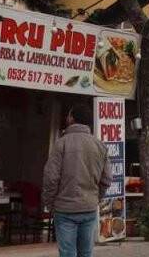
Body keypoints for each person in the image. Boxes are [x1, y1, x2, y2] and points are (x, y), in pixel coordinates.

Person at [43, 104, 110, 257]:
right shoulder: (100, 145)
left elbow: (51, 178)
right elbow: (106, 179)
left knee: (67, 253)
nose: (67, 117)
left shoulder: (61, 143)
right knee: (86, 253)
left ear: (72, 118)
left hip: (65, 209)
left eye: (68, 115)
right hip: (89, 208)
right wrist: (95, 198)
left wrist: (50, 203)